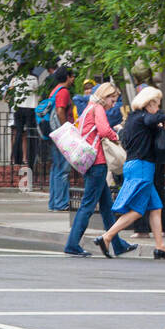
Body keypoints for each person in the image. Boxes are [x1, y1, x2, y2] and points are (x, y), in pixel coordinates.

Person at [94, 85, 165, 260]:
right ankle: (107, 237)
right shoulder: (144, 119)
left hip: (134, 165)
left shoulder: (132, 119)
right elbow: (151, 120)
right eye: (157, 104)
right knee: (138, 211)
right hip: (143, 167)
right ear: (149, 104)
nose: (158, 108)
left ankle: (160, 246)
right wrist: (164, 117)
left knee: (156, 207)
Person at [63, 83, 138, 259]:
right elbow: (104, 130)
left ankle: (118, 244)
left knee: (106, 207)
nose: (114, 103)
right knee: (87, 206)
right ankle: (72, 245)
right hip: (97, 162)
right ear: (105, 96)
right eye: (112, 99)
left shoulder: (88, 108)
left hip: (90, 163)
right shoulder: (97, 109)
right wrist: (117, 136)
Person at [47, 67, 75, 211]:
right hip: (61, 135)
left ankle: (53, 203)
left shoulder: (54, 90)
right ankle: (61, 203)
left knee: (56, 168)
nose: (73, 79)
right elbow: (60, 110)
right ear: (67, 77)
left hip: (53, 134)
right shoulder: (63, 92)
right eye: (72, 76)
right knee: (63, 170)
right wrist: (66, 130)